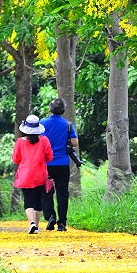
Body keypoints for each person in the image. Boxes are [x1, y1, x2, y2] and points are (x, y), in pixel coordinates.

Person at [41, 98, 79, 232]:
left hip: (46, 164)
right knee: (62, 193)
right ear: (63, 110)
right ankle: (62, 223)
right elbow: (74, 143)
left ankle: (50, 216)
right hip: (62, 164)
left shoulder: (42, 124)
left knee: (46, 191)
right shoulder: (68, 125)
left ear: (50, 109)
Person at [12, 114, 53, 234]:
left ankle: (32, 224)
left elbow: (15, 159)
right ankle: (36, 226)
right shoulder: (44, 140)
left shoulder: (19, 142)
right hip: (40, 175)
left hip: (25, 175)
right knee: (38, 201)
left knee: (28, 200)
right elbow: (50, 157)